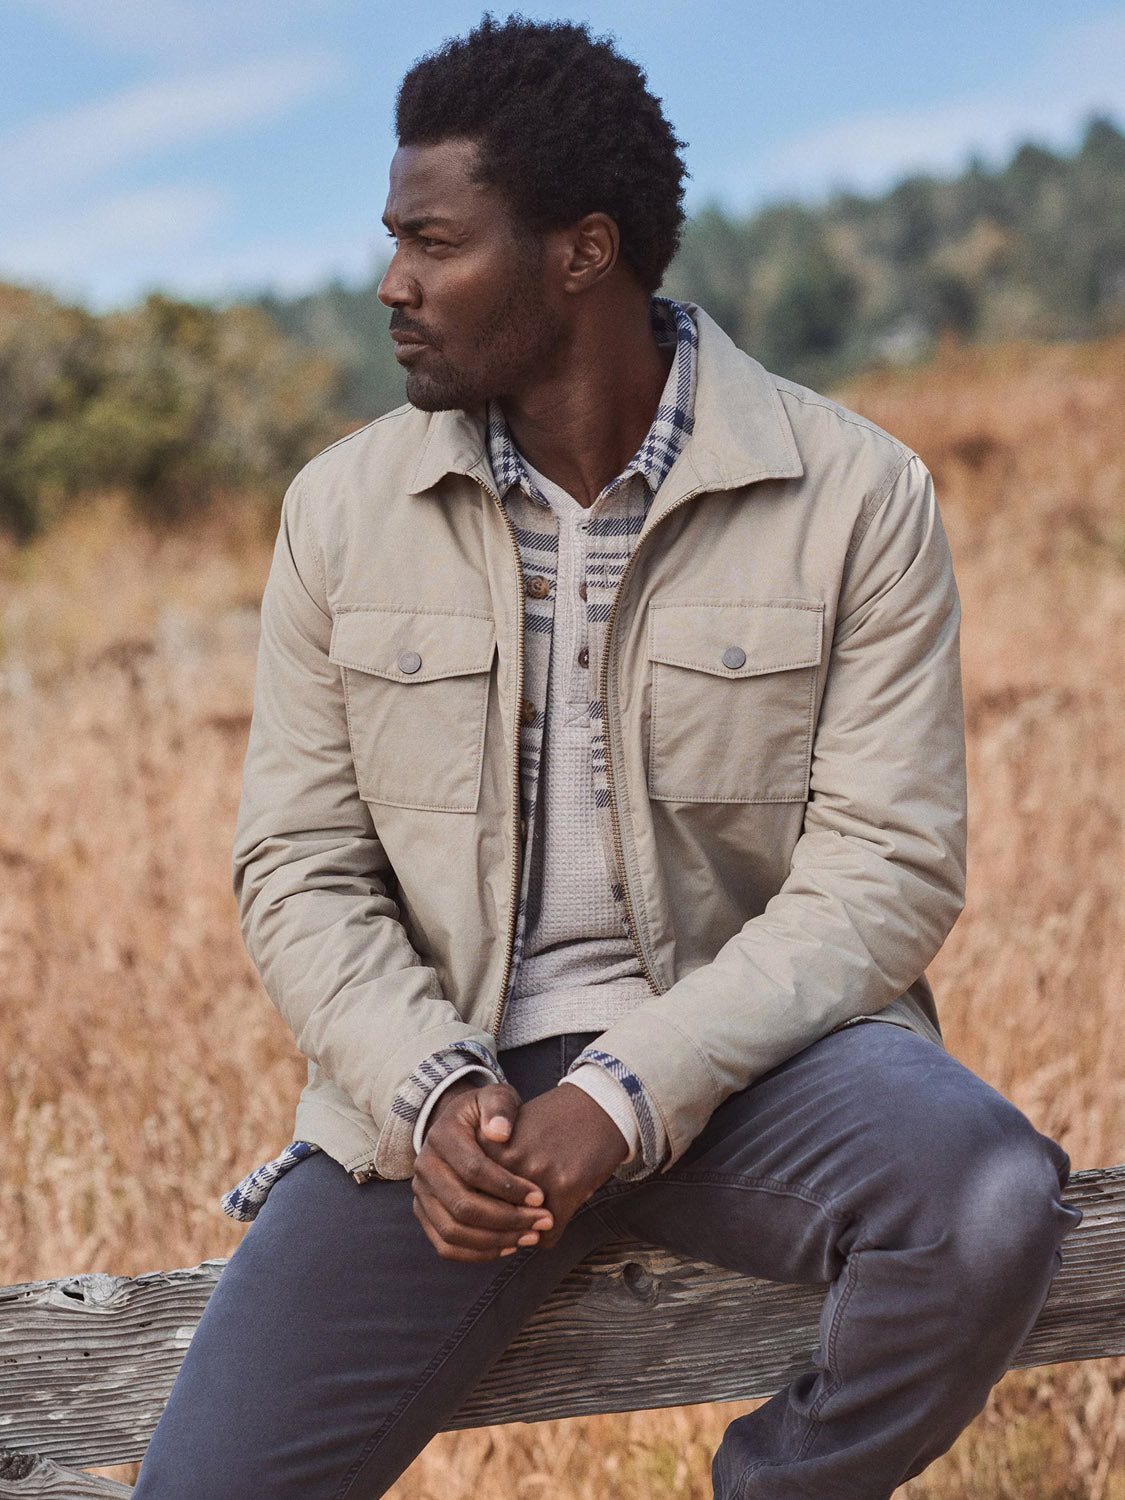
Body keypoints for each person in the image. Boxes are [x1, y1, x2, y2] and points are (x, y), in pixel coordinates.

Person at [133, 16, 1078, 1500]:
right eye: (393, 241)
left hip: (758, 1067)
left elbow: (884, 869)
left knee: (983, 1201)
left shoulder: (852, 494)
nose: (392, 284)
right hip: (443, 1118)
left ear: (581, 253)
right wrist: (431, 1094)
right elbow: (298, 866)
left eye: (434, 243)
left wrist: (627, 1093)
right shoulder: (341, 511)